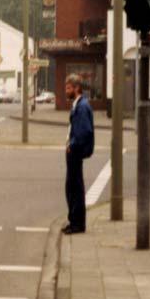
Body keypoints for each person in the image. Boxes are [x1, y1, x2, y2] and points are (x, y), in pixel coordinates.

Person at [63, 73, 94, 235]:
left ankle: (77, 224)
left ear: (76, 88)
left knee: (74, 188)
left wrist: (72, 145)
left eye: (68, 88)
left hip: (75, 152)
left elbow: (85, 131)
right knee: (72, 187)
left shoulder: (81, 107)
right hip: (73, 151)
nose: (66, 91)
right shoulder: (79, 104)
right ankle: (74, 221)